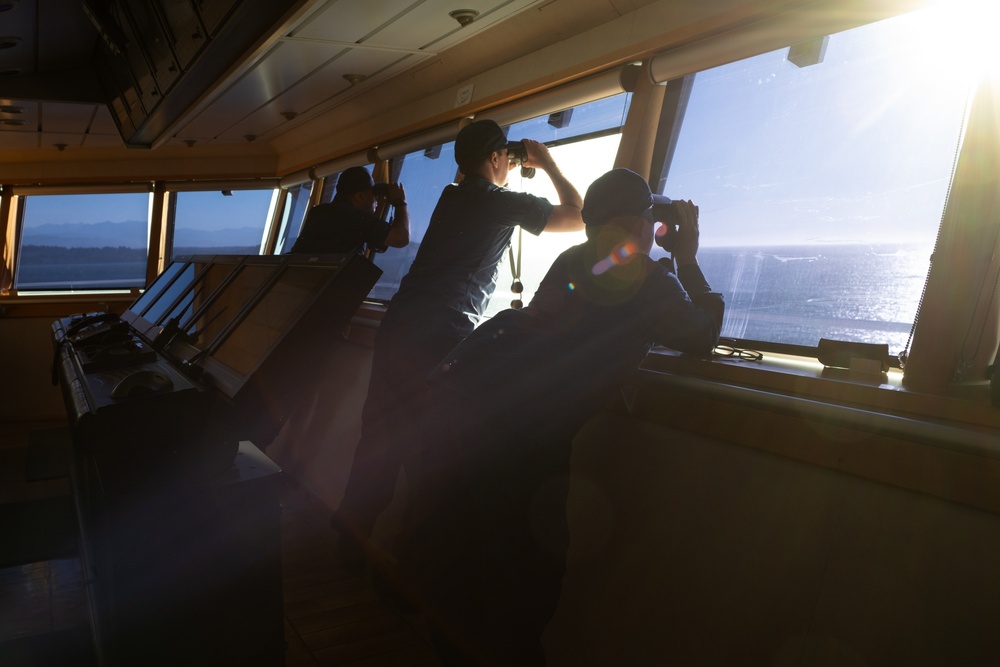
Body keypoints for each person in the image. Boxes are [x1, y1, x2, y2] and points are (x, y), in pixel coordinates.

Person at [399, 168, 725, 665]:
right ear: (640, 222)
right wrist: (686, 258)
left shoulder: (571, 261)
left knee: (464, 566)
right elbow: (701, 332)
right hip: (519, 442)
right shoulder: (643, 272)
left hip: (458, 415)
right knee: (526, 582)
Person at [331, 119, 585, 569]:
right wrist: (544, 161)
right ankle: (411, 578)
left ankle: (343, 554)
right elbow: (579, 215)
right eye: (503, 158)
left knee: (379, 445)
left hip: (400, 325)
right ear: (495, 158)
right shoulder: (498, 202)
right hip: (438, 336)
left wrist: (507, 160)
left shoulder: (452, 196)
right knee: (432, 459)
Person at [289, 165, 409, 255]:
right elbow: (401, 238)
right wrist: (400, 202)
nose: (377, 201)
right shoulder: (353, 218)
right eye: (374, 195)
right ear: (359, 197)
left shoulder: (318, 212)